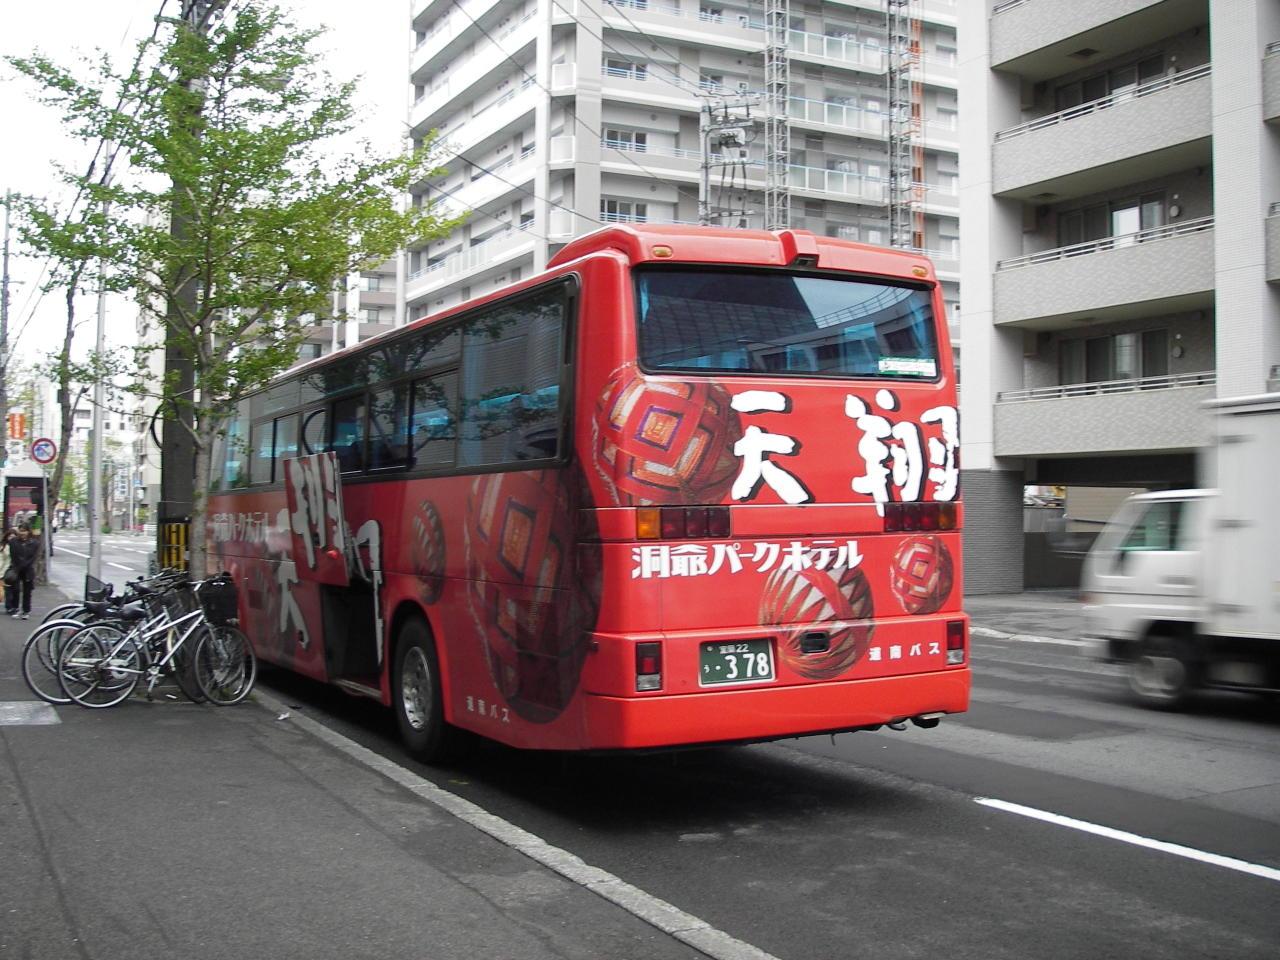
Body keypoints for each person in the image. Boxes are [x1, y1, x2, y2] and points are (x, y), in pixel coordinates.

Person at [9, 525, 42, 620]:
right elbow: (13, 555)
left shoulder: (34, 543)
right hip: (16, 568)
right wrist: (18, 566)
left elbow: (33, 557)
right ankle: (16, 608)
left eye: (24, 531)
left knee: (27, 591)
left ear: (28, 531)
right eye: (20, 531)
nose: (22, 533)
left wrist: (25, 564)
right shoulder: (13, 542)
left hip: (28, 569)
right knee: (15, 589)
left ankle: (26, 610)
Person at [1, 528, 17, 616]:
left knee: (15, 590)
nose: (11, 538)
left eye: (13, 536)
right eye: (10, 536)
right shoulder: (3, 546)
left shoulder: (17, 545)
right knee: (7, 590)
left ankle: (13, 606)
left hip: (15, 570)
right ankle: (9, 607)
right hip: (5, 570)